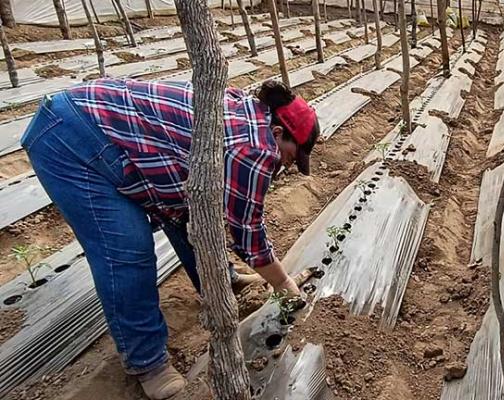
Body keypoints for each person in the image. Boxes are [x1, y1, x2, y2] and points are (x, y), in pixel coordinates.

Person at [21, 78, 318, 399]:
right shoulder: (255, 149)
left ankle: (221, 282)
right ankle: (147, 361)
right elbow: (248, 235)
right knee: (127, 248)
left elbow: (199, 203)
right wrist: (285, 285)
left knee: (190, 211)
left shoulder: (251, 113)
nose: (288, 164)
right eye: (292, 155)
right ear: (277, 133)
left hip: (101, 127)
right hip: (72, 138)